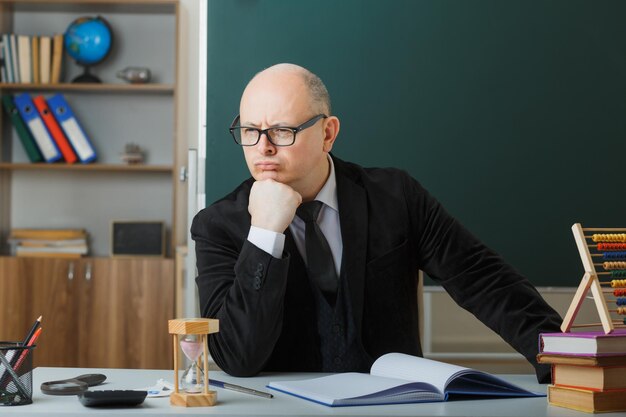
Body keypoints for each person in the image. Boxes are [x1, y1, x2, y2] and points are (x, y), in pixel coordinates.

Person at [191, 63, 562, 382]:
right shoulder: (218, 225)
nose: (263, 147)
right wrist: (264, 234)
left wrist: (563, 361)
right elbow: (237, 357)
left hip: (391, 406)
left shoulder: (396, 196)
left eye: (282, 131)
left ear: (328, 133)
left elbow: (484, 281)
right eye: (250, 131)